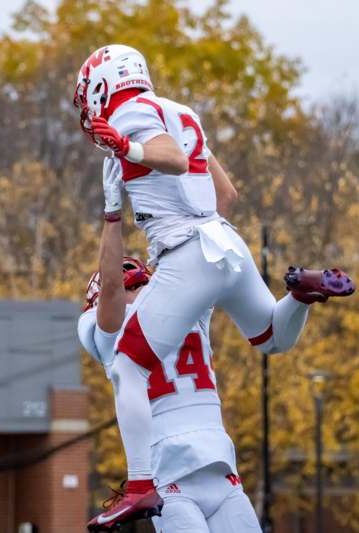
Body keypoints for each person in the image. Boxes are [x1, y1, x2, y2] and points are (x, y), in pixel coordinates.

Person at [73, 45, 355, 529]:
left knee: (126, 366)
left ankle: (139, 486)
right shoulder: (181, 111)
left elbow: (174, 159)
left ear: (101, 87)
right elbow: (224, 194)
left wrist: (128, 149)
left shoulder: (131, 114)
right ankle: (299, 294)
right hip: (226, 246)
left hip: (186, 254)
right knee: (272, 335)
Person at [80, 159, 260, 532]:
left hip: (219, 466)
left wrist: (192, 144)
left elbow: (220, 206)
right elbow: (111, 291)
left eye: (138, 282)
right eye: (131, 285)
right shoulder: (111, 329)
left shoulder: (184, 304)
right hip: (169, 476)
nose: (136, 288)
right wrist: (113, 214)